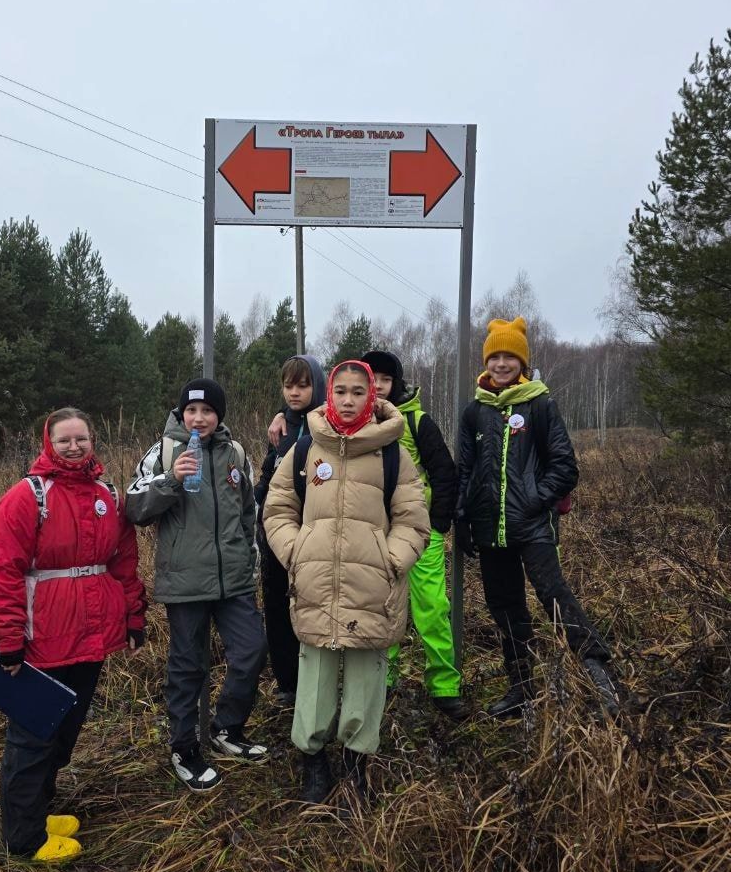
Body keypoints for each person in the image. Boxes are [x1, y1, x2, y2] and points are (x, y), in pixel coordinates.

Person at [0, 408, 146, 863]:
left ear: (93, 441)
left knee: (64, 734)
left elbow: (124, 563)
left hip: (91, 638)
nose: (74, 447)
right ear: (48, 444)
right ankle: (24, 839)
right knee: (32, 738)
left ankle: (38, 813)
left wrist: (133, 617)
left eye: (81, 439)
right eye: (64, 440)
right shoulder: (27, 496)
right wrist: (8, 639)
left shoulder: (107, 495)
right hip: (41, 641)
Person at [263, 360, 431, 805]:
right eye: (341, 391)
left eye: (359, 392)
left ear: (372, 397)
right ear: (330, 395)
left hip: (373, 587)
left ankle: (357, 763)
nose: (349, 400)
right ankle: (314, 760)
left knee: (366, 677)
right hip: (315, 582)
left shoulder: (392, 453)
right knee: (315, 673)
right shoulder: (306, 447)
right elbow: (277, 508)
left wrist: (390, 561)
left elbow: (414, 520)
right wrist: (296, 552)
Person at [455, 318, 626, 717]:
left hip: (533, 527)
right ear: (485, 362)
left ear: (522, 362)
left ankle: (602, 679)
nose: (501, 363)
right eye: (494, 356)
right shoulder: (474, 412)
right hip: (489, 530)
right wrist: (462, 516)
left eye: (509, 357)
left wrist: (533, 501)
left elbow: (565, 467)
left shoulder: (540, 404)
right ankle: (521, 690)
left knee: (553, 596)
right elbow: (466, 469)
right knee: (505, 607)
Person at [125, 378, 268, 792]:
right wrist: (171, 479)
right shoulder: (164, 451)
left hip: (234, 581)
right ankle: (184, 748)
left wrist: (250, 565)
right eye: (192, 410)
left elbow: (248, 513)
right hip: (185, 581)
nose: (199, 418)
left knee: (252, 650)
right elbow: (134, 508)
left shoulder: (235, 453)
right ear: (181, 414)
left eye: (207, 411)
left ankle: (227, 729)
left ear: (218, 415)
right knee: (188, 667)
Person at [361, 350, 467, 721]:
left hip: (421, 533)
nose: (378, 387)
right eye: (371, 380)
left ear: (396, 383)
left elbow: (444, 473)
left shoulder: (417, 421)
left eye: (385, 380)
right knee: (382, 607)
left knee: (431, 607)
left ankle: (444, 685)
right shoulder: (354, 424)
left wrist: (437, 525)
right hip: (375, 534)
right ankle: (384, 679)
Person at [254, 354, 327, 706]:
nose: (294, 392)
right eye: (288, 386)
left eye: (303, 385)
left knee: (311, 605)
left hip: (313, 532)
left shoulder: (327, 426)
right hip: (276, 532)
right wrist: (254, 505)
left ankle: (317, 681)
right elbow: (269, 473)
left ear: (318, 385)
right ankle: (288, 683)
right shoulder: (281, 427)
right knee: (278, 605)